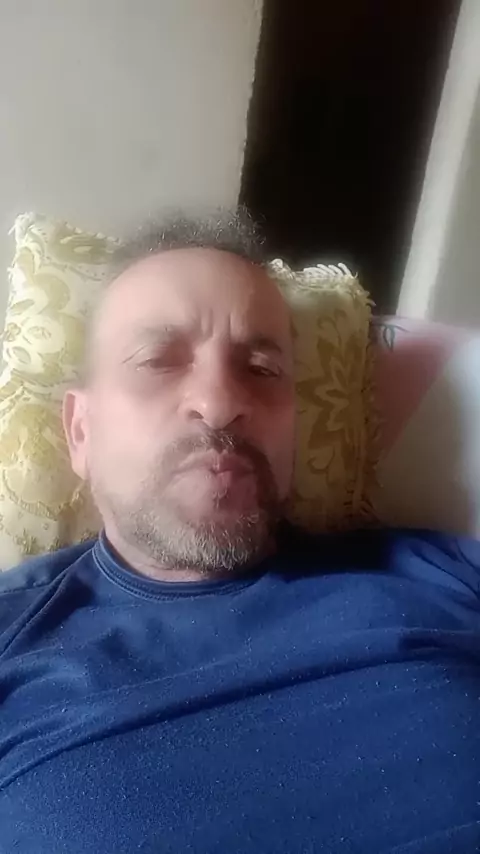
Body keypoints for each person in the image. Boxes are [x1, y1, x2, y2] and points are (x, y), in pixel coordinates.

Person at [0, 209, 478, 854]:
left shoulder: (442, 574)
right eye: (158, 361)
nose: (221, 403)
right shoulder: (14, 636)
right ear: (80, 431)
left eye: (261, 368)